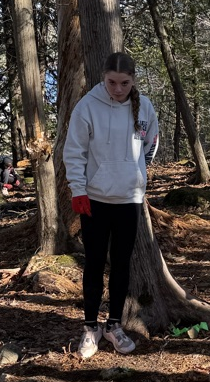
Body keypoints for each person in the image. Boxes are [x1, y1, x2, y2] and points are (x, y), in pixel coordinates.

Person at [63, 52, 159, 359]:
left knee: (121, 265)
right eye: (112, 82)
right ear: (103, 78)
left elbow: (151, 142)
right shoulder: (87, 107)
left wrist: (138, 172)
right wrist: (78, 190)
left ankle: (113, 325)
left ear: (133, 81)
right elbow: (74, 151)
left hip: (128, 200)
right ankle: (90, 327)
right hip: (95, 200)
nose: (118, 89)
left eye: (124, 83)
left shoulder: (143, 107)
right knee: (93, 265)